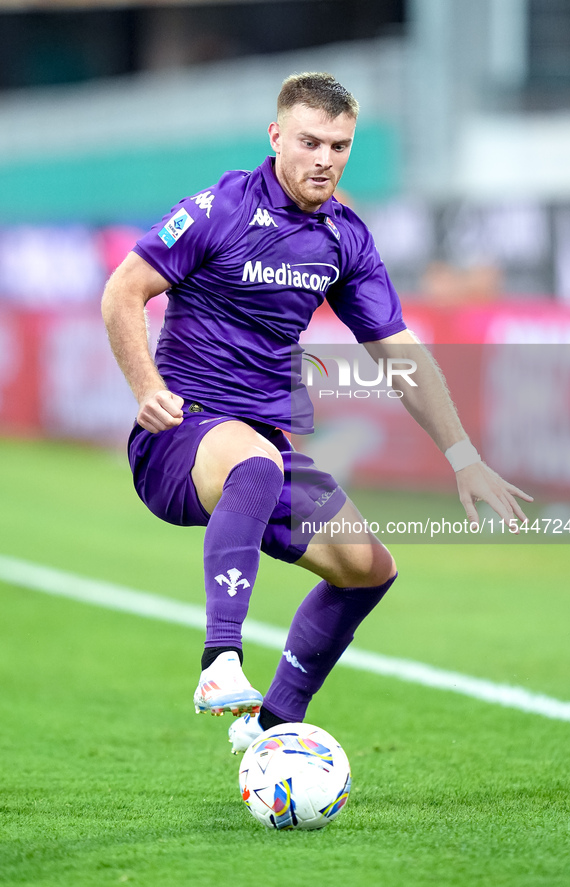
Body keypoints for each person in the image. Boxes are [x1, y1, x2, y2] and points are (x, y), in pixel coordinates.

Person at [101, 72, 532, 754]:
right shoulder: (218, 209)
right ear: (275, 137)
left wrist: (462, 455)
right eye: (309, 142)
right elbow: (123, 291)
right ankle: (219, 660)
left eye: (339, 145)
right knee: (254, 460)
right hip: (179, 438)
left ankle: (269, 732)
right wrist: (145, 385)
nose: (324, 158)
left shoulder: (343, 239)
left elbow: (399, 352)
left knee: (368, 569)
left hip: (263, 447)